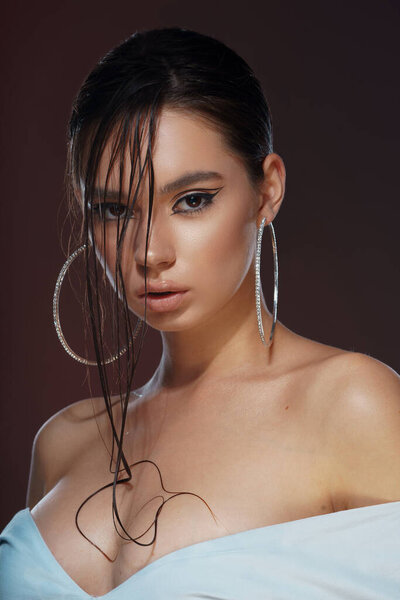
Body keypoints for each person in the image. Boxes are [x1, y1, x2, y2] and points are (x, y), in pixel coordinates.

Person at [1, 26, 400, 600]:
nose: (149, 251)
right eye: (114, 210)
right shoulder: (62, 446)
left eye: (192, 201)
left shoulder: (351, 407)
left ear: (267, 192)